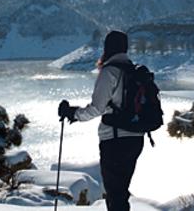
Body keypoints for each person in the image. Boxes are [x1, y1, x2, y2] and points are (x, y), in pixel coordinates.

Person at [58, 30, 144, 211]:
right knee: (121, 191)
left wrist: (73, 114)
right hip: (136, 138)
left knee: (114, 194)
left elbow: (97, 108)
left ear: (108, 48)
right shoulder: (133, 71)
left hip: (114, 141)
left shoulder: (110, 72)